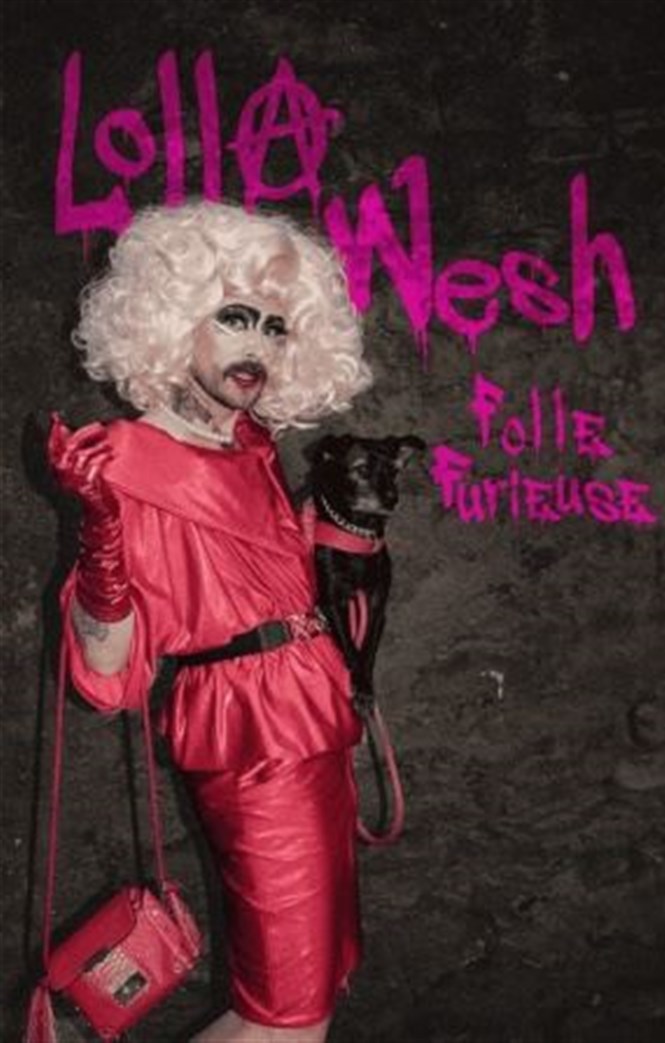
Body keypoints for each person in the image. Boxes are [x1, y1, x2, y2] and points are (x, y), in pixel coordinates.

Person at [47, 200, 373, 1043]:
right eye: (234, 316)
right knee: (289, 1020)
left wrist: (339, 530)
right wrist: (102, 543)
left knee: (296, 1006)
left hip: (314, 725)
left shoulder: (249, 446)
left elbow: (265, 583)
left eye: (273, 325)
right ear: (172, 316)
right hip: (253, 742)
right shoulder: (122, 459)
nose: (255, 345)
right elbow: (105, 671)